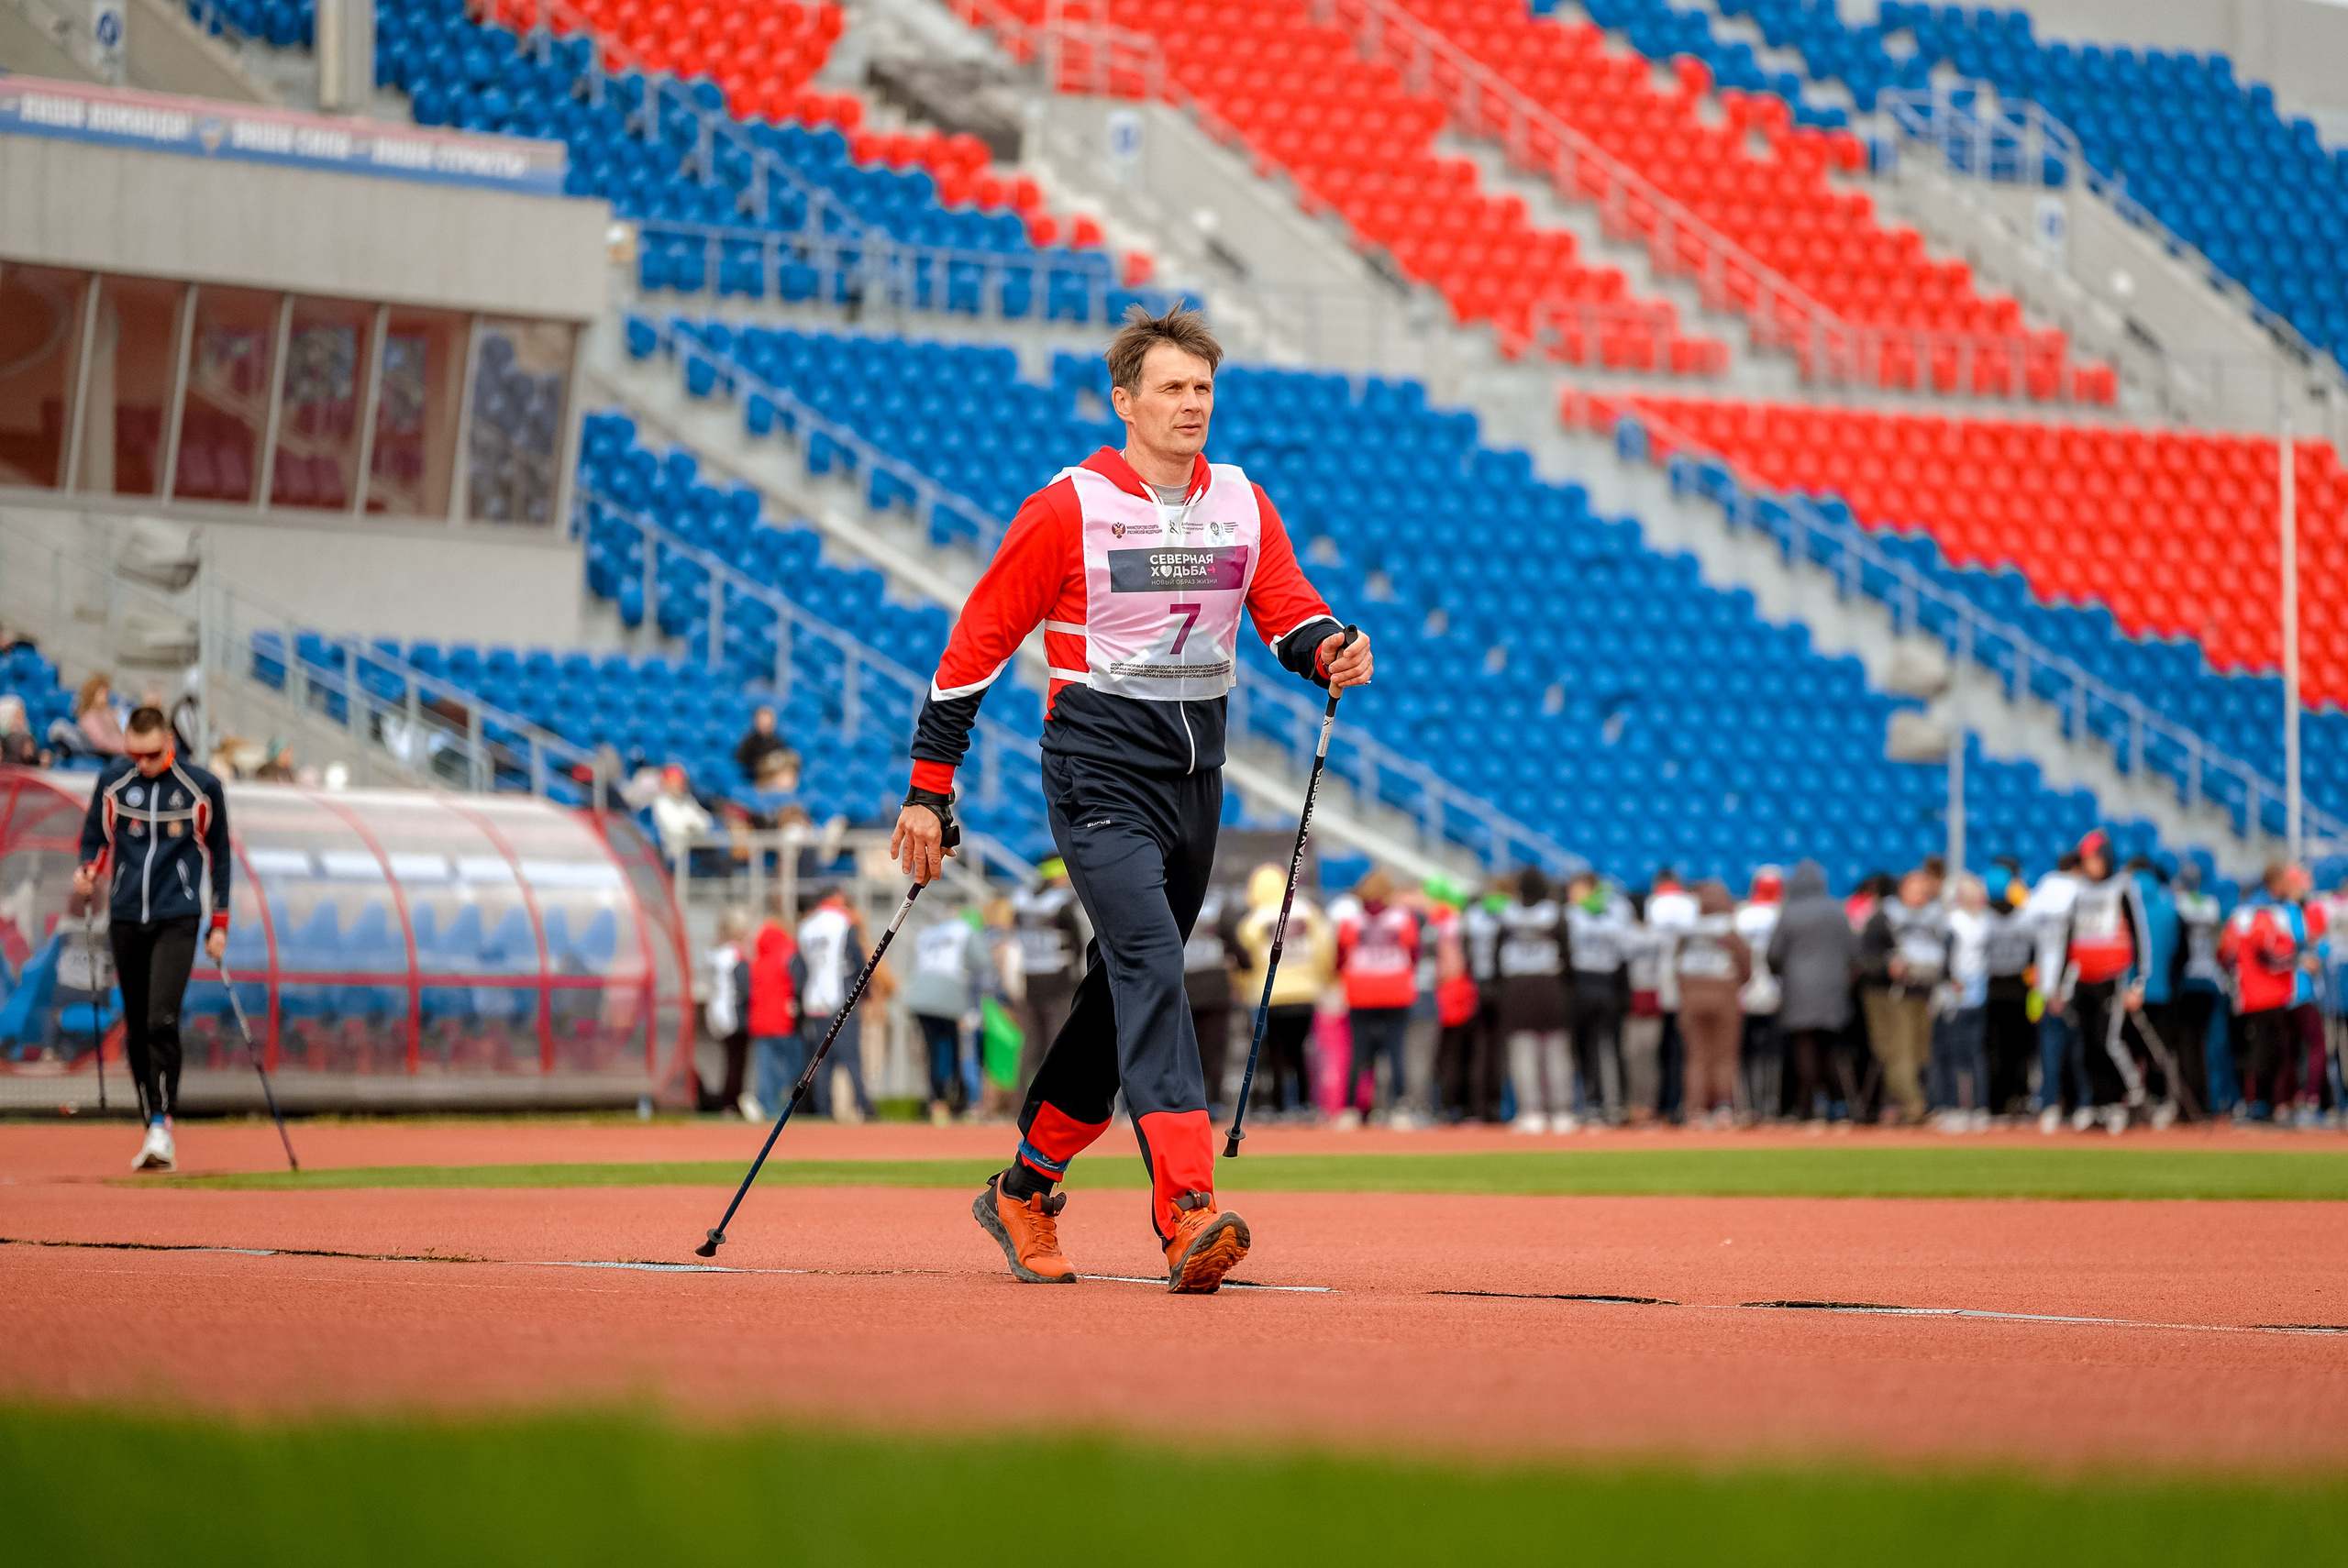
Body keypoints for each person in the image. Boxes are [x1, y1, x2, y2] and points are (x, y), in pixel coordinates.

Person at [891, 304, 1370, 1291]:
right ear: (1125, 400)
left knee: (1119, 994)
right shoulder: (1066, 507)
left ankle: (1023, 1188)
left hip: (1197, 777)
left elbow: (1285, 605)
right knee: (1154, 960)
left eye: (1203, 389)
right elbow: (974, 646)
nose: (1191, 405)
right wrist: (928, 790)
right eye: (1171, 388)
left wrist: (1329, 647)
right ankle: (1184, 1208)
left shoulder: (1241, 499)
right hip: (1096, 766)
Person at [72, 705, 232, 1172]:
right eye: (134, 755)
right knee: (138, 1026)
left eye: (151, 754)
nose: (142, 764)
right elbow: (93, 840)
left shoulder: (202, 787)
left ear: (169, 743)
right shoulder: (114, 782)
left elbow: (219, 854)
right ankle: (150, 1124)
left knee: (162, 1020)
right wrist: (87, 872)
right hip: (125, 916)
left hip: (177, 917)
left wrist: (219, 923)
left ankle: (163, 1123)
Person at [2051, 831, 2153, 1135]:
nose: (2089, 865)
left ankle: (2135, 1096)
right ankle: (2099, 1103)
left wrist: (2139, 981)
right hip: (2083, 978)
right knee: (2087, 1043)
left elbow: (2139, 936)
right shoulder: (2078, 892)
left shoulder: (2122, 889)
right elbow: (2068, 939)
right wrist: (2059, 985)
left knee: (2109, 1041)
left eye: (2094, 859)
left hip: (2113, 975)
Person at [1230, 860, 1334, 1120]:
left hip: (1269, 996)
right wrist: (1318, 979)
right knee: (1301, 1051)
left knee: (1273, 1053)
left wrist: (1245, 988)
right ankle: (1305, 1103)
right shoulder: (1308, 912)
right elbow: (1324, 949)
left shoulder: (1253, 921)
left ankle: (1276, 1106)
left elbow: (1242, 961)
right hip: (1305, 993)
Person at [1856, 863, 1947, 1126]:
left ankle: (1904, 1105)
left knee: (1920, 1054)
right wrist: (1888, 966)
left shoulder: (1933, 918)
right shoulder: (1883, 918)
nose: (1921, 894)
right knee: (1900, 1053)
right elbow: (1862, 960)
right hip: (1890, 994)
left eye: (1923, 889)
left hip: (1921, 992)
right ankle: (1913, 1106)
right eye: (1914, 888)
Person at [1768, 859, 1857, 1124]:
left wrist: (1783, 974)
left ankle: (1807, 1109)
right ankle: (1839, 1106)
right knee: (1829, 1051)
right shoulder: (1837, 911)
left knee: (1804, 1052)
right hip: (1832, 991)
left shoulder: (1789, 912)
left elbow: (1774, 954)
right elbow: (1854, 951)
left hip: (1798, 991)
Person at [1335, 867, 1420, 1129]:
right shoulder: (1404, 919)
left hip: (1360, 991)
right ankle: (1400, 1109)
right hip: (1395, 989)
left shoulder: (1351, 922)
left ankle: (1351, 1109)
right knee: (1395, 1050)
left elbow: (1339, 958)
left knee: (1359, 1052)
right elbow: (1414, 953)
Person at [2221, 861, 2305, 1121]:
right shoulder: (2269, 914)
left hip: (2252, 994)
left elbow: (2225, 953)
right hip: (2269, 994)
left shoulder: (2241, 914)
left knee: (2263, 1051)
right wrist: (2294, 961)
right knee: (2267, 1053)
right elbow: (2268, 954)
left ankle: (2261, 1104)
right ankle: (2260, 1104)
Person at [1497, 866, 1574, 1132]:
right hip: (1549, 985)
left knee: (1523, 1051)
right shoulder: (1555, 915)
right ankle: (1561, 1110)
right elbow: (1568, 954)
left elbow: (1497, 956)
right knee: (1556, 1050)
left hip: (1517, 986)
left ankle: (1531, 1110)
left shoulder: (1507, 916)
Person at [907, 905, 997, 1123]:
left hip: (919, 994)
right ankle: (956, 1101)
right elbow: (982, 960)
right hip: (948, 994)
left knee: (933, 1052)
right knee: (954, 1051)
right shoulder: (963, 929)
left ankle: (937, 1102)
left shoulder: (927, 933)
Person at [1675, 880, 1752, 1129]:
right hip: (1725, 998)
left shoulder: (1687, 932)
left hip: (1692, 1000)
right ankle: (1723, 1110)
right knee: (1725, 1057)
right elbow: (1747, 968)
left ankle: (1695, 1111)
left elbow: (1675, 966)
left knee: (1696, 1057)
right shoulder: (1729, 932)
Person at [793, 886, 872, 1121]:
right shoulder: (842, 922)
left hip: (815, 996)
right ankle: (863, 1105)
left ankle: (824, 1109)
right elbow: (857, 958)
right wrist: (866, 992)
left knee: (821, 1058)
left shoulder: (806, 926)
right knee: (851, 1054)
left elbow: (798, 967)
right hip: (841, 992)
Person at [1007, 857, 1085, 1097]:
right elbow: (1078, 943)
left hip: (1030, 978)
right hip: (1058, 978)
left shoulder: (1020, 900)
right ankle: (1054, 1100)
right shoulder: (1062, 903)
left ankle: (1020, 1102)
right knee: (1056, 1042)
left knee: (1030, 1044)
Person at [1564, 871, 1627, 1125]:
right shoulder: (1612, 912)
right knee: (1594, 1048)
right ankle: (1600, 1102)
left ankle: (1603, 1103)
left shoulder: (1575, 915)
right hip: (1597, 983)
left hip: (1593, 982)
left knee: (1598, 1048)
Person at [2129, 856, 2187, 1127]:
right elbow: (2180, 952)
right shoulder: (2169, 904)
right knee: (2161, 1053)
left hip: (2130, 991)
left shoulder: (2124, 903)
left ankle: (2137, 1102)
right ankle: (2165, 1101)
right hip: (2164, 990)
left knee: (2132, 1052)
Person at [2029, 850, 2085, 1132]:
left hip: (2043, 982)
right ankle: (2082, 1104)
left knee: (2048, 1047)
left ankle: (2048, 1104)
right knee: (2078, 1048)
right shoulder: (2078, 891)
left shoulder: (2042, 889)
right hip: (2072, 982)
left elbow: (2025, 929)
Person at [1933, 873, 1993, 1129]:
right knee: (1975, 1055)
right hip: (1978, 996)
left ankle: (1955, 1107)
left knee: (1953, 1056)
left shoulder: (1953, 923)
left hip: (1956, 998)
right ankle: (1979, 1106)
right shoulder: (1984, 923)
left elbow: (1945, 964)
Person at [1981, 863, 2037, 1115]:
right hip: (2018, 988)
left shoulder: (1983, 918)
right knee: (2019, 1049)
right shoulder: (2026, 915)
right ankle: (2019, 1098)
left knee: (1993, 1050)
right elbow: (2035, 954)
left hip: (1992, 989)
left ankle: (1995, 1102)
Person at [2173, 861, 2225, 1118]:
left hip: (2187, 978)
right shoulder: (2211, 904)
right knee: (2206, 1046)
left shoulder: (2177, 903)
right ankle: (2207, 1101)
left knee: (2186, 1046)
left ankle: (2189, 1106)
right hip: (2209, 976)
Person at [1181, 881, 1238, 1116]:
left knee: (1186, 1051)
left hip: (1183, 986)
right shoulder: (1217, 904)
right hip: (1214, 987)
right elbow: (1232, 940)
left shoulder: (1170, 896)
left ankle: (1189, 1103)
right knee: (1214, 1050)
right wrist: (1246, 964)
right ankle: (1213, 1102)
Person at [1645, 867, 1698, 1121]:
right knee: (1684, 1048)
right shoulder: (1689, 903)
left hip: (1664, 980)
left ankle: (1666, 1103)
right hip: (1688, 981)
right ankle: (1681, 1103)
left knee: (1667, 1048)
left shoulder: (1654, 903)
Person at [1459, 877, 1512, 1123]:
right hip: (1501, 986)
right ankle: (1495, 1106)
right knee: (1499, 1051)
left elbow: (1465, 951)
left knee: (1479, 1051)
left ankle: (1477, 1108)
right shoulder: (1510, 913)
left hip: (1477, 984)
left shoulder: (1473, 914)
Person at [1734, 867, 1784, 1121]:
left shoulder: (1742, 915)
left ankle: (1749, 1106)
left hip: (1745, 992)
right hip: (1776, 992)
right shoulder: (1782, 916)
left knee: (1746, 1053)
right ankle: (1770, 1106)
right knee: (1772, 1053)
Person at [743, 902, 798, 1121]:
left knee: (764, 1067)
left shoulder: (757, 955)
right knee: (794, 1061)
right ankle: (770, 1102)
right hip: (781, 1016)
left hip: (759, 1017)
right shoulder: (787, 951)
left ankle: (763, 1101)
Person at [701, 908, 753, 1116]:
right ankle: (731, 1102)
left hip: (715, 1010)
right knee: (736, 1061)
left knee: (730, 1059)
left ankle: (729, 1101)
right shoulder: (735, 953)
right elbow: (744, 984)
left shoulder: (713, 952)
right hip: (733, 1011)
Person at [735, 703, 792, 782]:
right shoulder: (748, 743)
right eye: (762, 720)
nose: (765, 723)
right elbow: (741, 762)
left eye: (767, 720)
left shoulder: (779, 741)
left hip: (774, 778)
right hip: (756, 779)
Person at [73, 673, 126, 757]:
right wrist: (128, 748)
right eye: (102, 692)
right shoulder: (88, 716)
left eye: (107, 692)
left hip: (121, 751)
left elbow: (120, 734)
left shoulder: (110, 712)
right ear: (92, 693)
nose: (106, 695)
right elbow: (102, 743)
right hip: (107, 756)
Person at [1, 693, 49, 766]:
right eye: (17, 716)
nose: (21, 721)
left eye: (22, 716)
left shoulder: (29, 740)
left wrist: (40, 758)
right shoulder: (3, 741)